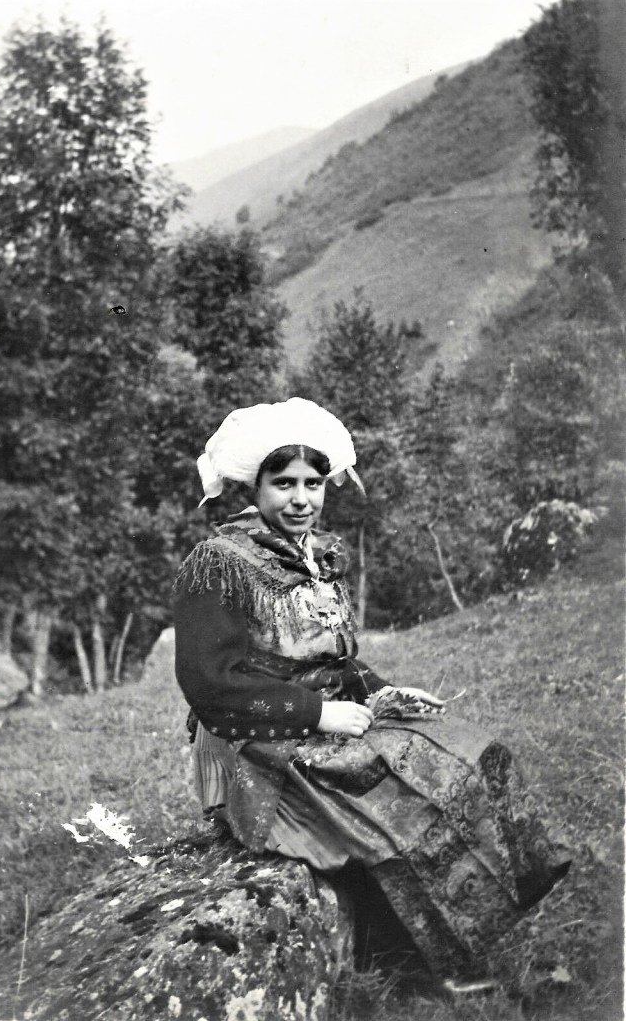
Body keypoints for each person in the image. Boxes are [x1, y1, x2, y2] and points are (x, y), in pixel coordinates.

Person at [174, 397, 570, 993]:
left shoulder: (317, 556)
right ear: (254, 487)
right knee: (394, 803)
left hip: (327, 715)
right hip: (255, 737)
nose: (301, 499)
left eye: (312, 484)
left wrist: (384, 692)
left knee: (471, 755)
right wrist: (318, 714)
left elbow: (334, 658)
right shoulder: (218, 563)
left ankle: (488, 919)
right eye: (284, 484)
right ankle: (414, 962)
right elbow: (210, 686)